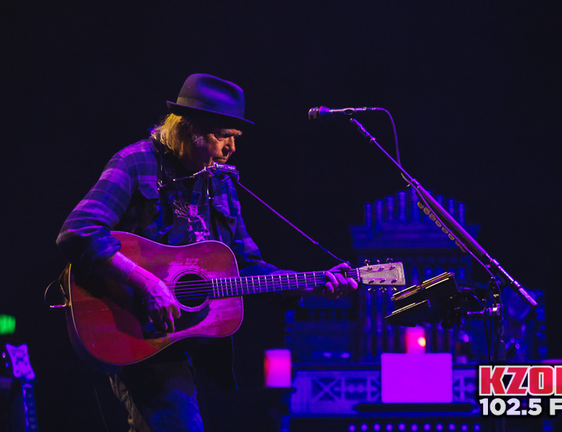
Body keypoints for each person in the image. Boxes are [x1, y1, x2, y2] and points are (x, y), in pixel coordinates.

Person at [56, 73, 357, 432]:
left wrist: (310, 283)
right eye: (221, 136)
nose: (230, 148)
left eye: (235, 138)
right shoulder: (135, 164)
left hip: (190, 338)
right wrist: (146, 283)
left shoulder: (220, 183)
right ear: (187, 128)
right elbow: (79, 230)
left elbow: (245, 267)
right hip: (129, 328)